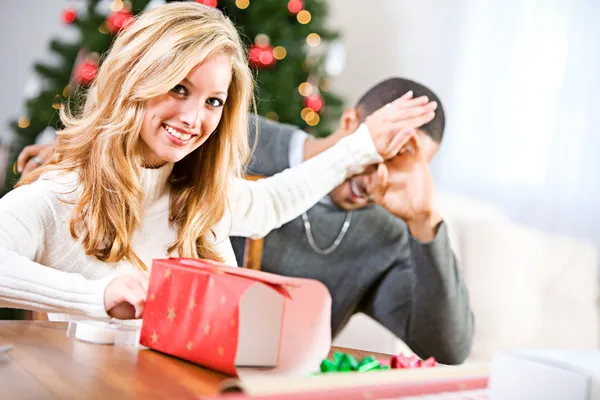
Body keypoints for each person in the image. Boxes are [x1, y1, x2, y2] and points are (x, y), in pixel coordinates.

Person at [0, 3, 437, 322]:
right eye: (178, 89)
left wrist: (362, 147)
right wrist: (97, 296)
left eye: (213, 100)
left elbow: (273, 202)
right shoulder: (63, 193)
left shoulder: (201, 196)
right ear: (135, 80)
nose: (193, 119)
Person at [230, 78, 474, 365]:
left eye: (402, 165)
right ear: (349, 121)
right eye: (382, 150)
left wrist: (425, 220)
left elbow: (448, 349)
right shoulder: (240, 137)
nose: (378, 178)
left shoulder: (383, 236)